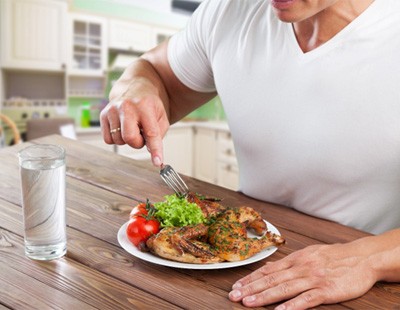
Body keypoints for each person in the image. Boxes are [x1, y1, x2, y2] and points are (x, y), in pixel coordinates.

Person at [100, 0, 400, 308]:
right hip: (232, 274)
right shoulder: (229, 11)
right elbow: (153, 71)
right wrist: (133, 90)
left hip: (363, 285)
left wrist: (370, 259)